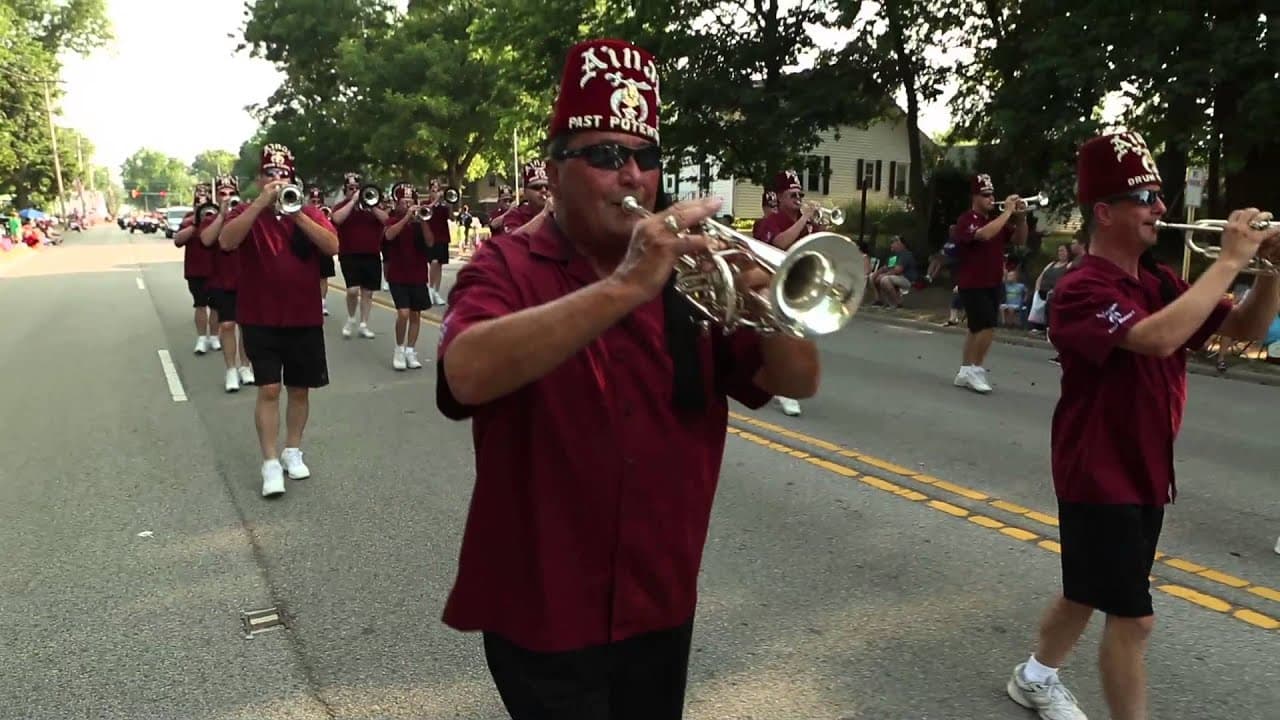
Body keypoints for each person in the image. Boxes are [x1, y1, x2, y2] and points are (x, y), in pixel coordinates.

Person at [435, 38, 820, 720]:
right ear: (555, 170)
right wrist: (628, 285)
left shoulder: (693, 271)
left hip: (659, 596)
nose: (633, 176)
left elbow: (798, 381)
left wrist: (773, 308)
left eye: (646, 157)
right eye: (607, 156)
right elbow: (464, 374)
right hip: (544, 609)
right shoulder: (504, 266)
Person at [1005, 131, 1280, 720]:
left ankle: (1034, 678)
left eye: (1158, 195)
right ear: (1104, 213)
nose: (1160, 207)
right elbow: (1155, 339)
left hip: (1146, 466)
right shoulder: (1080, 288)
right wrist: (1229, 260)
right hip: (1098, 470)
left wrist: (1270, 272)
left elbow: (1245, 330)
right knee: (1133, 617)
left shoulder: (1159, 281)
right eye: (1144, 197)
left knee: (1086, 591)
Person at [217, 144, 340, 498]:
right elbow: (226, 241)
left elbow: (332, 246)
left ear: (292, 179)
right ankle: (270, 462)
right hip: (260, 316)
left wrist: (296, 213)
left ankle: (292, 450)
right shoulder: (245, 211)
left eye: (282, 174)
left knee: (299, 389)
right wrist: (260, 204)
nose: (276, 179)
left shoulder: (308, 211)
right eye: (269, 174)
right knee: (269, 389)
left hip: (303, 316)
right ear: (259, 179)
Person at [752, 169, 825, 417]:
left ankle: (776, 376)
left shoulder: (808, 222)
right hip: (774, 281)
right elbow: (780, 243)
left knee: (797, 333)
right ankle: (784, 388)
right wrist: (804, 219)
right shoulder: (771, 221)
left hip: (800, 284)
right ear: (780, 197)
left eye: (800, 194)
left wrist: (819, 225)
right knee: (780, 333)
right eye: (793, 195)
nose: (798, 199)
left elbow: (822, 246)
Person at [952, 174, 1028, 393]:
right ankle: (976, 369)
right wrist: (1007, 212)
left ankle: (965, 370)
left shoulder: (996, 221)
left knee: (975, 328)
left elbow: (1020, 240)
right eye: (985, 195)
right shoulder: (967, 219)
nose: (991, 199)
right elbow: (984, 235)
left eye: (992, 194)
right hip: (973, 282)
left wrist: (1021, 218)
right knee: (987, 326)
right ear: (974, 197)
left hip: (993, 281)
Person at [382, 182, 432, 370]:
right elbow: (389, 236)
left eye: (411, 202)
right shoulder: (391, 220)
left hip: (418, 273)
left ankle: (411, 350)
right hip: (398, 274)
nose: (408, 205)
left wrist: (423, 221)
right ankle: (399, 349)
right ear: (397, 204)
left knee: (415, 314)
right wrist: (406, 218)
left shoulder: (420, 222)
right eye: (404, 202)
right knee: (403, 313)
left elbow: (430, 242)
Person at [174, 183, 220, 355]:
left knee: (216, 306)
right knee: (200, 305)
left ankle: (214, 336)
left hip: (217, 269)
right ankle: (201, 338)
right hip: (196, 269)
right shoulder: (189, 219)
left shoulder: (219, 216)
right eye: (198, 200)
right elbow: (178, 241)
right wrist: (195, 223)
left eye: (205, 199)